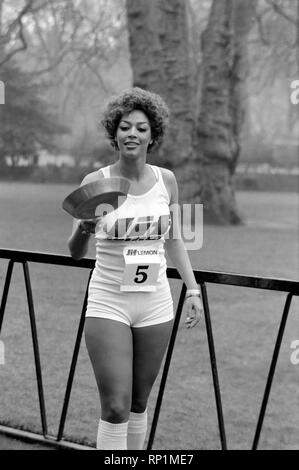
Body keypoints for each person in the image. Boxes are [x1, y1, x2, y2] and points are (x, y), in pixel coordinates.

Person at [68, 87, 203, 450]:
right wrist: (84, 229)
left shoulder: (166, 180)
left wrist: (192, 290)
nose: (132, 134)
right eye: (125, 126)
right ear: (114, 133)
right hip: (109, 301)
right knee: (115, 408)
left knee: (139, 403)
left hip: (155, 302)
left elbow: (174, 238)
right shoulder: (95, 182)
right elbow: (75, 253)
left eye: (141, 129)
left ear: (152, 135)